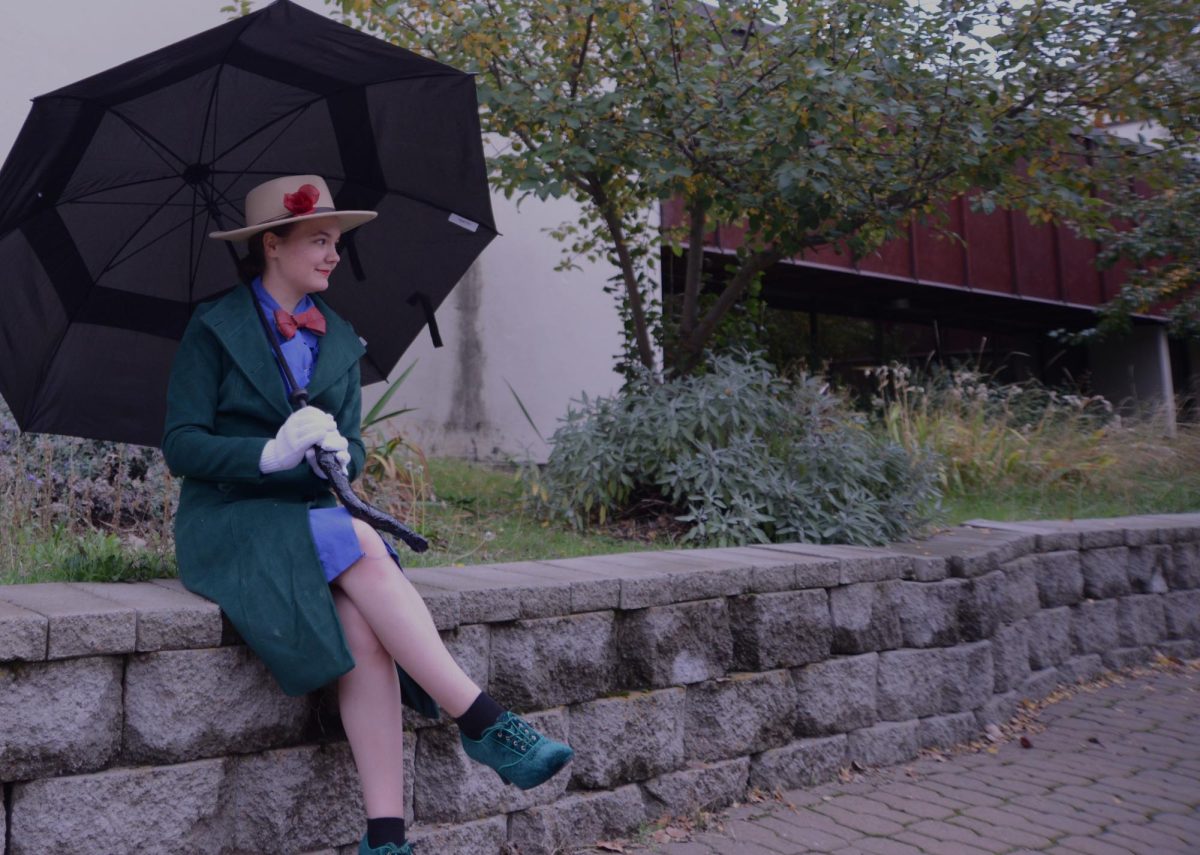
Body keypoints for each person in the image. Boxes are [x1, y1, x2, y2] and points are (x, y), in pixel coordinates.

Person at [162, 175, 572, 855]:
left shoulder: (342, 340)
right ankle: (482, 717)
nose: (332, 255)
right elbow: (181, 443)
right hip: (232, 523)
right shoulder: (213, 328)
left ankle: (385, 838)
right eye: (318, 241)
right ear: (272, 245)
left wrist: (337, 454)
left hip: (311, 522)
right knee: (356, 537)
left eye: (335, 242)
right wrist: (266, 453)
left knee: (364, 629)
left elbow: (351, 446)